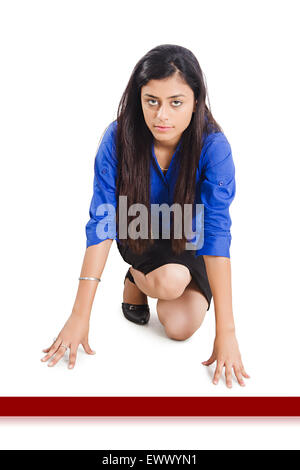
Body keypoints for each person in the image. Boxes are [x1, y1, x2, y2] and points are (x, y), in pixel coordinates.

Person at [41, 44, 250, 389]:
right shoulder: (118, 137)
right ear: (138, 98)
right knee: (168, 282)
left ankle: (144, 283)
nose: (161, 115)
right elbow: (103, 220)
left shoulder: (214, 147)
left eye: (175, 102)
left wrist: (226, 332)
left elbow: (216, 233)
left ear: (197, 100)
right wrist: (80, 315)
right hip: (142, 234)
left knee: (181, 327)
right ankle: (137, 279)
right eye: (151, 100)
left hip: (188, 241)